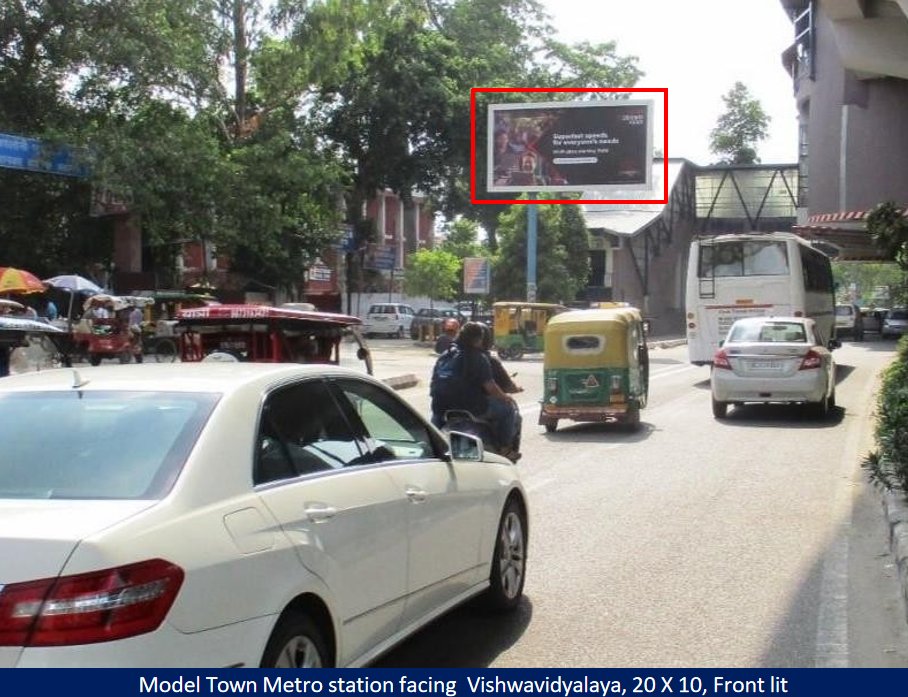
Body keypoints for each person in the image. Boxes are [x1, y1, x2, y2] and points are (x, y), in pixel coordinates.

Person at [430, 321, 519, 460]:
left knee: (432, 434)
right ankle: (504, 449)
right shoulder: (479, 357)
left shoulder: (445, 354)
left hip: (440, 407)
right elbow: (491, 387)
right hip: (472, 407)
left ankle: (430, 447)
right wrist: (506, 398)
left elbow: (434, 383)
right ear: (479, 339)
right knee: (508, 409)